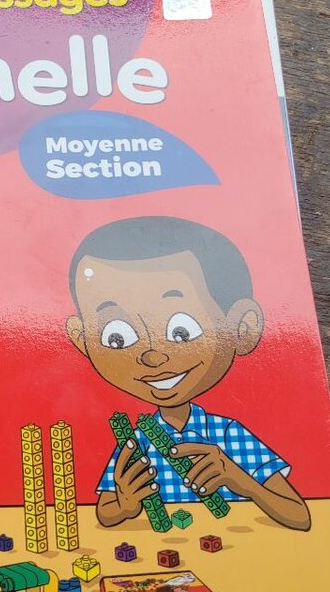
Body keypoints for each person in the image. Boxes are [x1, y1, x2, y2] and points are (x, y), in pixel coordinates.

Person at [65, 216, 310, 531]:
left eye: (181, 331)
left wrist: (243, 482)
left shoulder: (227, 435)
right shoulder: (137, 441)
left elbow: (299, 516)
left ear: (241, 327)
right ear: (83, 340)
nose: (152, 357)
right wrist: (125, 504)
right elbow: (106, 513)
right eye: (117, 337)